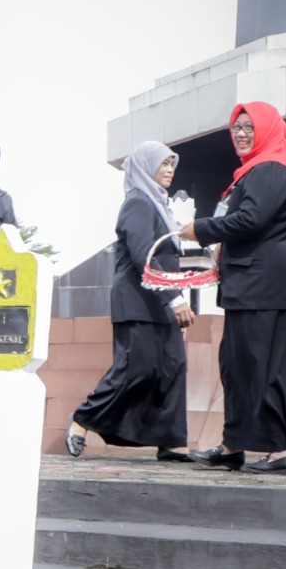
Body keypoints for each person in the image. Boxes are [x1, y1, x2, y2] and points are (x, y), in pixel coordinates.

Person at [182, 101, 286, 473]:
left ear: (267, 129)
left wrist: (201, 230)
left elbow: (251, 219)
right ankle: (233, 444)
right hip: (250, 285)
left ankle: (280, 451)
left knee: (264, 367)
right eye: (236, 127)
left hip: (267, 286)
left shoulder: (272, 167)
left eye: (248, 127)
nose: (240, 133)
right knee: (238, 368)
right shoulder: (254, 170)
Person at [66, 141, 194, 461]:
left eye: (172, 165)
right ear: (146, 167)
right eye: (163, 164)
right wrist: (175, 298)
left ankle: (171, 442)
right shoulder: (138, 203)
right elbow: (143, 256)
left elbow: (166, 260)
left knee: (173, 367)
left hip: (160, 301)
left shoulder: (160, 206)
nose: (169, 171)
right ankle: (83, 420)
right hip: (137, 301)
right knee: (134, 370)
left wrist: (178, 296)